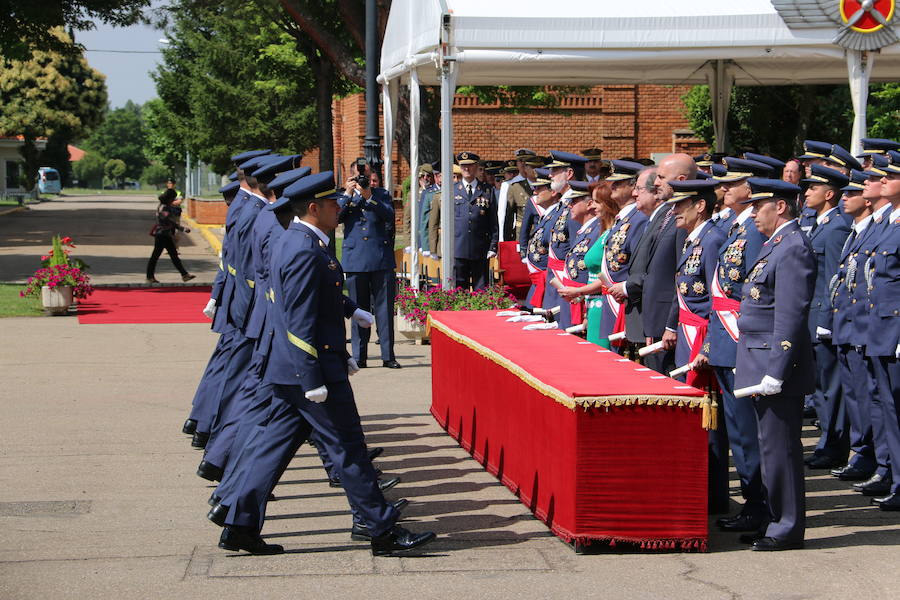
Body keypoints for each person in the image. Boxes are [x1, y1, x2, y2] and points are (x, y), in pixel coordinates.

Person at [220, 171, 436, 556]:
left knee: (274, 446)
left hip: (291, 368)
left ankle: (239, 522)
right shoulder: (304, 248)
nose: (341, 208)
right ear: (314, 208)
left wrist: (353, 311)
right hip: (311, 370)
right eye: (334, 204)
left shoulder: (299, 240)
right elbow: (297, 317)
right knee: (348, 447)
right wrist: (313, 376)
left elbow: (316, 293)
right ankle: (382, 531)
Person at [734, 177, 814, 551]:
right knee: (769, 448)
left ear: (779, 207)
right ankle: (773, 519)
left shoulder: (792, 248)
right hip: (759, 359)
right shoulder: (776, 245)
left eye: (757, 207)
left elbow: (790, 316)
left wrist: (776, 370)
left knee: (780, 449)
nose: (752, 215)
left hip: (774, 365)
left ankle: (786, 526)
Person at [699, 158, 769, 532]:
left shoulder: (754, 234)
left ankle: (759, 506)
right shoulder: (734, 229)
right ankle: (753, 504)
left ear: (751, 189)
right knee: (739, 433)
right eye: (723, 184)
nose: (722, 189)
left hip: (741, 344)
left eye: (733, 184)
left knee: (746, 433)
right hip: (726, 343)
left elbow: (751, 294)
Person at [610, 153, 693, 374]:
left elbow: (678, 275)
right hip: (654, 320)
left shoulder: (680, 218)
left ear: (681, 181)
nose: (656, 183)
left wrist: (669, 325)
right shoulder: (667, 215)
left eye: (661, 178)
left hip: (667, 323)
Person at [802, 165, 853, 471]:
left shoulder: (835, 228)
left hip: (822, 320)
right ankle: (827, 442)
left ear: (829, 194)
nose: (807, 192)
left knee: (830, 388)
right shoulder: (822, 224)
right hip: (811, 319)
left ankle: (832, 445)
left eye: (813, 188)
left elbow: (836, 279)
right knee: (820, 387)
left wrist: (827, 320)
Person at [863, 150, 900, 511]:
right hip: (881, 331)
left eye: (891, 175)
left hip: (895, 333)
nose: (882, 178)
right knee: (889, 409)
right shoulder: (888, 224)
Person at [340, 159, 400, 369]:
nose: (362, 181)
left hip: (380, 258)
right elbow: (336, 217)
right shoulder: (343, 196)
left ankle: (387, 355)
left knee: (384, 310)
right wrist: (348, 194)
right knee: (358, 309)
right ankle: (359, 355)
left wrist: (369, 196)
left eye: (364, 177)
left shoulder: (380, 194)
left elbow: (389, 216)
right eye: (357, 177)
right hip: (356, 260)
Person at [558, 181, 617, 346]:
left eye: (597, 202)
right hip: (593, 304)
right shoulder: (604, 231)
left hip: (604, 303)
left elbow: (610, 276)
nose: (593, 206)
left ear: (608, 204)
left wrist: (578, 291)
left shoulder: (611, 233)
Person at [547, 180, 599, 329]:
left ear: (589, 204)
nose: (570, 206)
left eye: (574, 201)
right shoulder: (585, 230)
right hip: (573, 298)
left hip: (583, 299)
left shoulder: (596, 230)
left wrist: (581, 295)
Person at [146, 183, 195, 284]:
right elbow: (168, 220)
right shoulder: (164, 207)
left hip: (166, 234)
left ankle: (184, 274)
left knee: (173, 255)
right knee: (156, 256)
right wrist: (182, 228)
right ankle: (149, 277)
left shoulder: (165, 206)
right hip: (162, 234)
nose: (173, 200)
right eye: (173, 198)